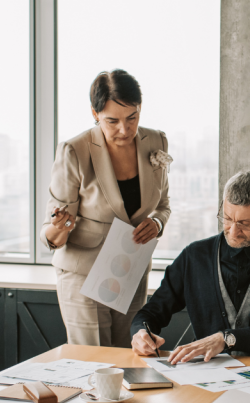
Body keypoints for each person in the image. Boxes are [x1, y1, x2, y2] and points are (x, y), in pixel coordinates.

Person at [40, 69, 171, 348]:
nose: (124, 130)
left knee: (131, 359)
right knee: (94, 364)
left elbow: (163, 204)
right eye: (112, 121)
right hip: (84, 275)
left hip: (131, 269)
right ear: (94, 113)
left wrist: (157, 223)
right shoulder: (74, 151)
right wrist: (61, 226)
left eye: (132, 118)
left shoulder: (156, 141)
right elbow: (50, 236)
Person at [130, 171, 250, 362]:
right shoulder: (194, 256)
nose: (233, 231)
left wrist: (226, 339)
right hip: (208, 374)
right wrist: (141, 332)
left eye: (245, 224)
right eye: (227, 218)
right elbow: (151, 312)